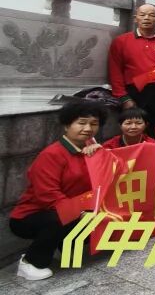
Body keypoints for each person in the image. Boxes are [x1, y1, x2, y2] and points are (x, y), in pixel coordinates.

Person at [9, 101, 105, 280]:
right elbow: (48, 195)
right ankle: (31, 262)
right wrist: (79, 213)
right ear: (67, 125)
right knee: (61, 218)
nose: (88, 128)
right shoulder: (52, 154)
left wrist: (102, 155)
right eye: (81, 123)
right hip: (31, 215)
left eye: (94, 123)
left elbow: (112, 174)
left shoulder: (91, 149)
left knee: (103, 217)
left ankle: (64, 247)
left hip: (71, 209)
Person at [107, 3, 155, 134]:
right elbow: (115, 72)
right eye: (142, 15)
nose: (146, 18)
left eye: (151, 15)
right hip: (134, 93)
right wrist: (124, 98)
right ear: (135, 18)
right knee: (134, 131)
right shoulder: (121, 41)